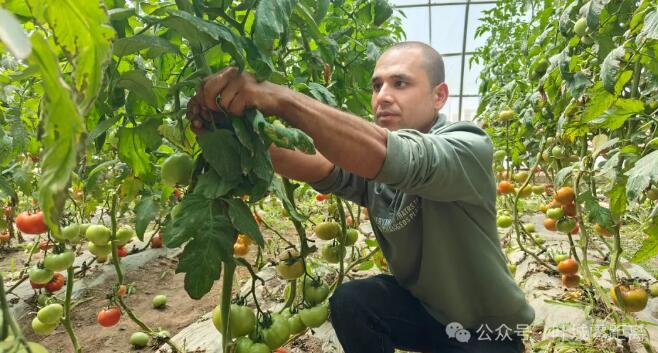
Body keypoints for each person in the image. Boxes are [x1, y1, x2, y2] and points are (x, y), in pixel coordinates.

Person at [187, 41, 535, 353]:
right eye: (377, 85)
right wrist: (238, 133)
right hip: (425, 313)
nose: (382, 95)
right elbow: (322, 166)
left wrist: (279, 98)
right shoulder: (377, 172)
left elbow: (395, 156)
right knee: (354, 301)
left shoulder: (466, 147)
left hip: (486, 334)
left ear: (439, 96)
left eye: (400, 83)